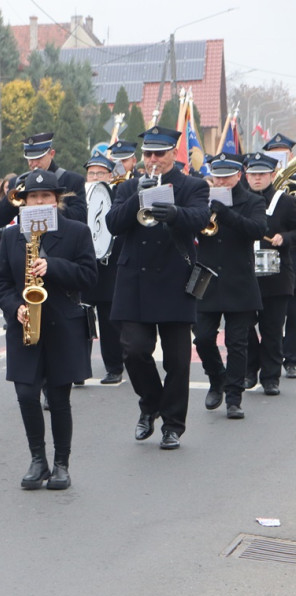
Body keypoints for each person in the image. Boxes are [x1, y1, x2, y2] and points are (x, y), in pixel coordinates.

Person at [0, 169, 98, 490]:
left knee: (59, 397)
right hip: (24, 324)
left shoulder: (77, 232)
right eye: (33, 198)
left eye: (45, 197)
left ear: (56, 201)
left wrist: (54, 267)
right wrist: (16, 307)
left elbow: (89, 276)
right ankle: (38, 460)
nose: (39, 202)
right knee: (25, 394)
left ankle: (61, 464)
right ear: (23, 203)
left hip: (63, 324)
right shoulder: (11, 236)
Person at [105, 126, 210, 450]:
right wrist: (138, 196)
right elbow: (112, 223)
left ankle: (173, 425)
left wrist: (176, 213)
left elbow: (202, 217)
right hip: (135, 279)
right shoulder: (129, 186)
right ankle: (150, 404)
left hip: (175, 279)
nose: (152, 160)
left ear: (172, 155)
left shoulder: (192, 185)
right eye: (148, 154)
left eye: (159, 154)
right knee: (134, 351)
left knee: (178, 360)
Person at [192, 153, 267, 420]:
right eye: (218, 176)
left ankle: (234, 398)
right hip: (204, 279)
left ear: (238, 176)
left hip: (239, 281)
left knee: (237, 344)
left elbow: (258, 230)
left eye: (227, 176)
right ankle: (216, 378)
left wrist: (227, 215)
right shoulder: (201, 200)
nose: (222, 181)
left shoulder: (253, 201)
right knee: (201, 337)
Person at [245, 153, 296, 395]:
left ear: (272, 175)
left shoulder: (285, 201)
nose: (257, 178)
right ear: (246, 175)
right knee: (242, 326)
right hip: (244, 274)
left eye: (262, 174)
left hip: (276, 275)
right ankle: (249, 368)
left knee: (272, 328)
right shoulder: (240, 200)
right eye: (253, 174)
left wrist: (285, 238)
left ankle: (270, 377)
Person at [80, 150, 126, 384]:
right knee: (82, 317)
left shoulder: (118, 195)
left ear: (110, 175)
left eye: (100, 172)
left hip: (109, 265)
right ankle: (79, 368)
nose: (95, 176)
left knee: (109, 320)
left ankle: (114, 367)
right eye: (91, 173)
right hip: (85, 263)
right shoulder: (79, 197)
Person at [0, 132, 87, 229]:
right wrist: (15, 194)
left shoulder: (73, 180)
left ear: (52, 154)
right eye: (30, 159)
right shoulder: (18, 181)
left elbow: (81, 218)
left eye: (39, 158)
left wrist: (52, 207)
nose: (34, 163)